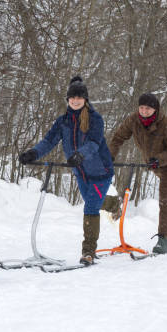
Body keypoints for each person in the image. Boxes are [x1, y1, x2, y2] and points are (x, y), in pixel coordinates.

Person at [19, 76, 114, 266]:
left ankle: (88, 252)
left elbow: (94, 143)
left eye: (79, 97)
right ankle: (113, 204)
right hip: (81, 173)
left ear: (85, 99)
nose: (75, 100)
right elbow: (49, 141)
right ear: (68, 100)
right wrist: (33, 153)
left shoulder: (95, 119)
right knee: (93, 203)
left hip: (100, 172)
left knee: (90, 208)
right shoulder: (63, 121)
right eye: (72, 97)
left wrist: (80, 154)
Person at [108, 93, 167, 254]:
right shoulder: (133, 120)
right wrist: (110, 155)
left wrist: (160, 159)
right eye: (141, 108)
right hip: (152, 161)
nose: (143, 111)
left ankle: (164, 239)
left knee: (165, 198)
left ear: (155, 109)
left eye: (147, 108)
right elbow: (118, 137)